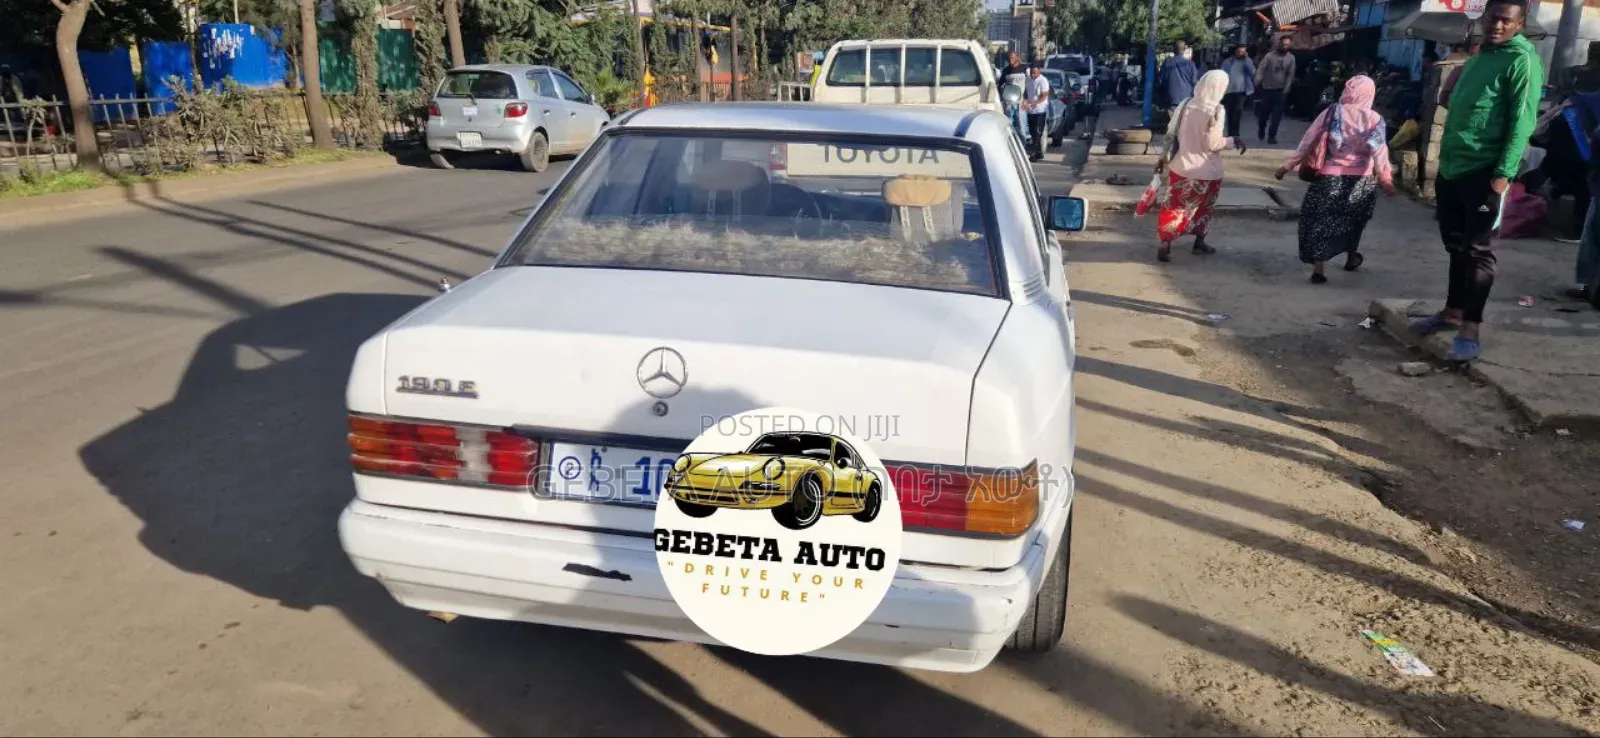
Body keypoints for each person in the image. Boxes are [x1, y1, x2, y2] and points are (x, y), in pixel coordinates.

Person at [1411, 0, 1544, 362]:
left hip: (1485, 172)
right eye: (1493, 18)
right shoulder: (1478, 57)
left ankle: (1470, 327)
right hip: (1452, 169)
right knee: (1455, 244)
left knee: (1478, 251)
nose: (1498, 25)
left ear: (1519, 24)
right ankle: (1452, 311)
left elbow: (1522, 123)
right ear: (1484, 18)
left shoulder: (1522, 61)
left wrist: (1502, 177)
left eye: (1506, 21)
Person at [1276, 76, 1397, 284]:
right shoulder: (1375, 119)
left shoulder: (1332, 112)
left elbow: (1309, 139)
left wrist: (1287, 166)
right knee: (1355, 220)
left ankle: (1319, 268)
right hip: (1362, 180)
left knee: (1320, 220)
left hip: (1329, 177)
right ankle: (1351, 257)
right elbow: (1379, 150)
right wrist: (1386, 178)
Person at [1153, 70, 1243, 262]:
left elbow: (1170, 133)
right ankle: (1199, 242)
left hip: (1180, 167)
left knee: (1174, 206)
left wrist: (1162, 158)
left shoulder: (1185, 104)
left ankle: (1165, 243)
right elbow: (1213, 144)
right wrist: (1232, 141)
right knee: (1203, 208)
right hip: (1207, 171)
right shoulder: (1217, 110)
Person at [1255, 36, 1297, 144]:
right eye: (1283, 44)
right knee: (1264, 115)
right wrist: (1257, 80)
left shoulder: (1291, 58)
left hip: (1280, 91)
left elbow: (1290, 74)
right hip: (1267, 90)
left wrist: (1287, 87)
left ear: (1290, 45)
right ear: (1279, 44)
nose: (1284, 46)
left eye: (1287, 45)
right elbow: (1261, 69)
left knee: (1276, 116)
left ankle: (1272, 136)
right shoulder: (1269, 56)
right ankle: (1261, 128)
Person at [1156, 41, 1198, 120]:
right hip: (1186, 99)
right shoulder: (1190, 64)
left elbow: (1161, 81)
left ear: (1173, 50)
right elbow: (1194, 82)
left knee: (1172, 124)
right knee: (1184, 123)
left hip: (1171, 100)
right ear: (1184, 50)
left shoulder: (1167, 63)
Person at [1220, 45, 1255, 138]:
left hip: (1241, 91)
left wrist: (1247, 60)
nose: (1241, 54)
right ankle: (1230, 134)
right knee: (1230, 113)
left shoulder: (1247, 61)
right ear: (1235, 52)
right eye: (1239, 51)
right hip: (1229, 91)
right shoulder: (1228, 61)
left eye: (1243, 52)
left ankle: (1236, 134)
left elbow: (1252, 72)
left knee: (1238, 112)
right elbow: (1222, 73)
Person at [1000, 52, 1031, 145]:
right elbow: (1000, 85)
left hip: (1021, 103)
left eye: (1013, 58)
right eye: (1009, 58)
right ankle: (1010, 146)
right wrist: (1003, 99)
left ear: (1017, 58)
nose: (1011, 60)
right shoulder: (1005, 70)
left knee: (1021, 127)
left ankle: (1022, 147)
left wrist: (1026, 99)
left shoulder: (1025, 68)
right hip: (1009, 103)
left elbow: (1029, 85)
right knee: (1008, 126)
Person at [1025, 64, 1052, 162]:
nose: (1032, 75)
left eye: (1034, 73)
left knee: (1038, 132)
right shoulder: (1028, 79)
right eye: (1031, 73)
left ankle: (1033, 154)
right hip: (1030, 110)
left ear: (1039, 72)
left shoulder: (1043, 81)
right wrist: (1026, 102)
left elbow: (1044, 96)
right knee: (1032, 132)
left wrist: (1034, 103)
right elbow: (1026, 92)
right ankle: (1039, 152)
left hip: (1040, 110)